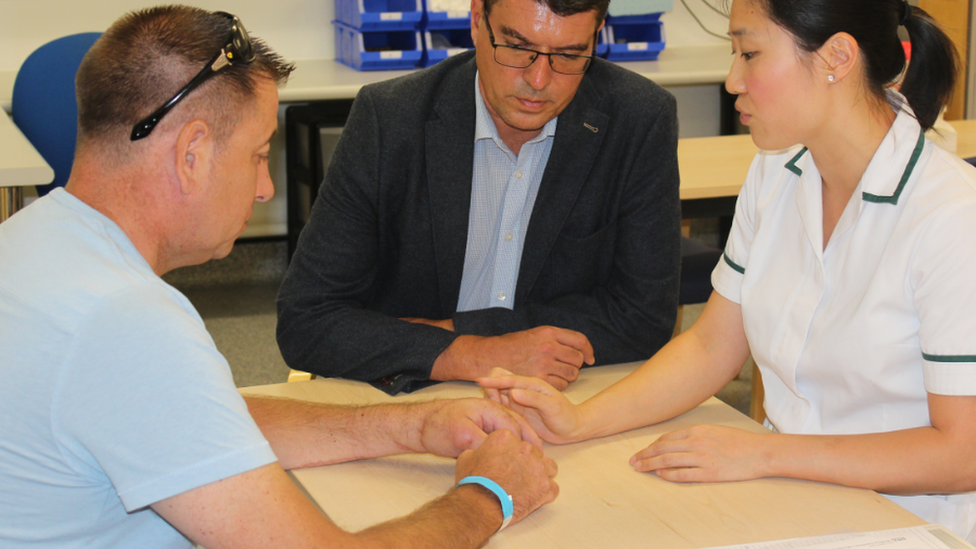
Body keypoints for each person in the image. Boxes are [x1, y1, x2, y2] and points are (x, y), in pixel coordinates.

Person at [0, 7, 558, 548]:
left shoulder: (33, 240)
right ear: (192, 152)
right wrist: (489, 494)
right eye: (258, 154)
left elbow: (198, 419)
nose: (265, 187)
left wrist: (411, 426)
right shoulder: (127, 321)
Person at [480, 0, 976, 542]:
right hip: (791, 497)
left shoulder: (950, 216)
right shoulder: (776, 171)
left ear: (837, 56)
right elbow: (713, 346)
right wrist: (580, 421)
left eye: (751, 53)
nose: (733, 79)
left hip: (912, 525)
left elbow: (962, 453)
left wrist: (765, 452)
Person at [276, 0, 681, 394]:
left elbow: (644, 318)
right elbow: (306, 319)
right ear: (476, 19)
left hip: (565, 394)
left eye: (569, 55)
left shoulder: (639, 119)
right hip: (413, 390)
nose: (539, 80)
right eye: (518, 48)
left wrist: (458, 331)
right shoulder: (390, 119)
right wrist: (472, 353)